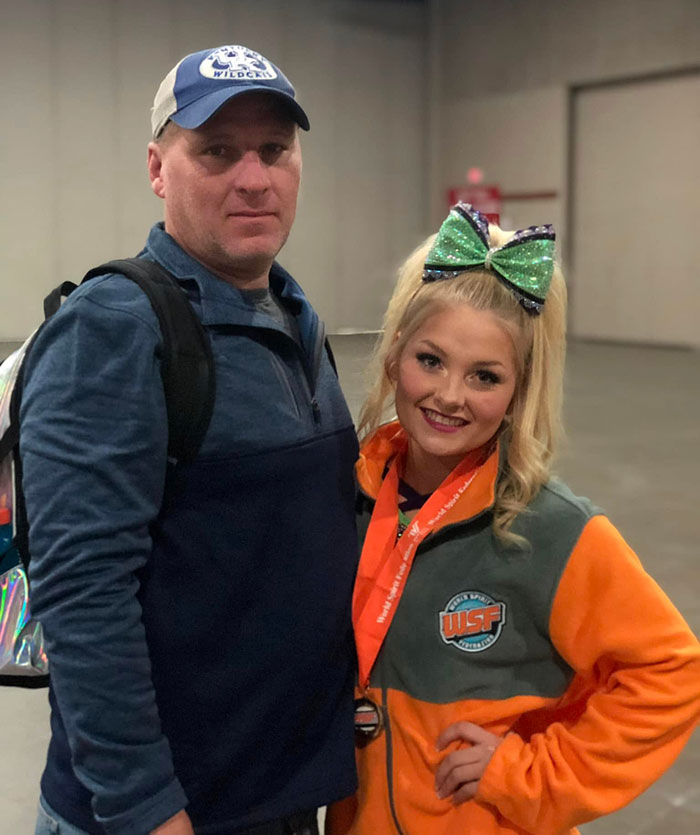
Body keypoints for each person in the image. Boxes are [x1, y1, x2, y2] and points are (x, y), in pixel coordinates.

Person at [22, 45, 359, 835]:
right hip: (163, 814)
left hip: (277, 794)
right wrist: (147, 809)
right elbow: (82, 596)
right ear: (156, 167)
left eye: (274, 150)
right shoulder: (113, 331)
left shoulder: (293, 319)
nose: (254, 176)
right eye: (216, 150)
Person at [326, 203, 700, 834]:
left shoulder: (548, 531)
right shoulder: (344, 499)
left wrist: (529, 775)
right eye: (431, 360)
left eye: (485, 376)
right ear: (393, 356)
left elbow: (671, 671)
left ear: (518, 391)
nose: (449, 395)